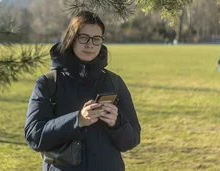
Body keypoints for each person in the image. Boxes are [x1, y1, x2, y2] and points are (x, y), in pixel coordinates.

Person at [24, 11, 141, 171]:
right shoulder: (48, 83)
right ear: (71, 38)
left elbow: (132, 139)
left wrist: (116, 123)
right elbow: (34, 136)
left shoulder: (114, 82)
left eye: (96, 39)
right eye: (83, 37)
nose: (90, 45)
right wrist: (77, 120)